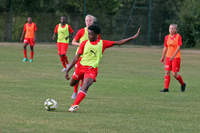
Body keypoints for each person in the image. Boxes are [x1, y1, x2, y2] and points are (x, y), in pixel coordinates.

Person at [65, 24, 140, 112]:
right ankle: (78, 83)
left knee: (85, 86)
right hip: (80, 68)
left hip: (91, 69)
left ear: (97, 35)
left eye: (91, 34)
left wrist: (132, 37)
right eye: (88, 34)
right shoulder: (84, 43)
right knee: (72, 84)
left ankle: (74, 105)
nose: (89, 36)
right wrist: (68, 70)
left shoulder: (102, 43)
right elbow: (76, 58)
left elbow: (118, 42)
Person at [71, 14, 100, 99]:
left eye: (90, 20)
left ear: (93, 21)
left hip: (89, 58)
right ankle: (75, 92)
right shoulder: (81, 31)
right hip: (79, 57)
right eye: (87, 20)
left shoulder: (95, 32)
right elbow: (73, 42)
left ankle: (81, 90)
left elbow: (99, 43)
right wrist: (82, 45)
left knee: (85, 76)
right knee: (77, 75)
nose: (88, 22)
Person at [160, 24, 186, 92]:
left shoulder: (178, 36)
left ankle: (183, 84)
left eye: (172, 28)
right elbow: (165, 47)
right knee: (167, 72)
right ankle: (166, 88)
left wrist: (173, 56)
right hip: (168, 57)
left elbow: (178, 47)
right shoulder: (166, 37)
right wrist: (163, 57)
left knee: (174, 74)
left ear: (175, 30)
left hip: (176, 57)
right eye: (170, 28)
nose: (170, 30)